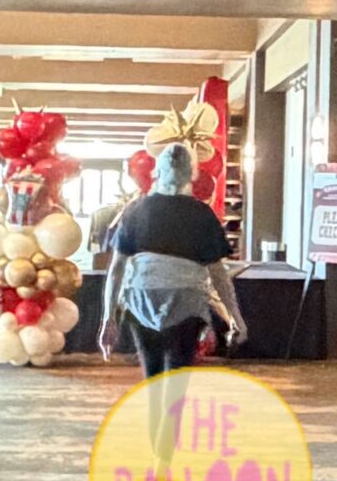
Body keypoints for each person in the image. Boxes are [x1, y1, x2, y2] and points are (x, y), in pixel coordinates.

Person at [99, 142, 242, 377]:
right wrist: (234, 318)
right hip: (187, 299)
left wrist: (108, 318)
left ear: (157, 172)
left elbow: (116, 269)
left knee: (151, 368)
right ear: (191, 174)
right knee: (178, 371)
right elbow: (218, 274)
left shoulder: (135, 210)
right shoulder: (202, 214)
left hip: (142, 297)